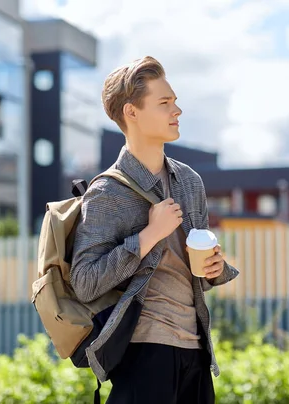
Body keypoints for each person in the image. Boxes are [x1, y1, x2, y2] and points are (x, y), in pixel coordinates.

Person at [70, 55, 240, 404]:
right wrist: (148, 236)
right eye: (164, 103)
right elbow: (85, 282)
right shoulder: (107, 192)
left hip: (195, 349)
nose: (177, 110)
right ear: (131, 112)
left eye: (175, 101)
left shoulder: (190, 181)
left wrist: (214, 268)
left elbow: (192, 269)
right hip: (143, 353)